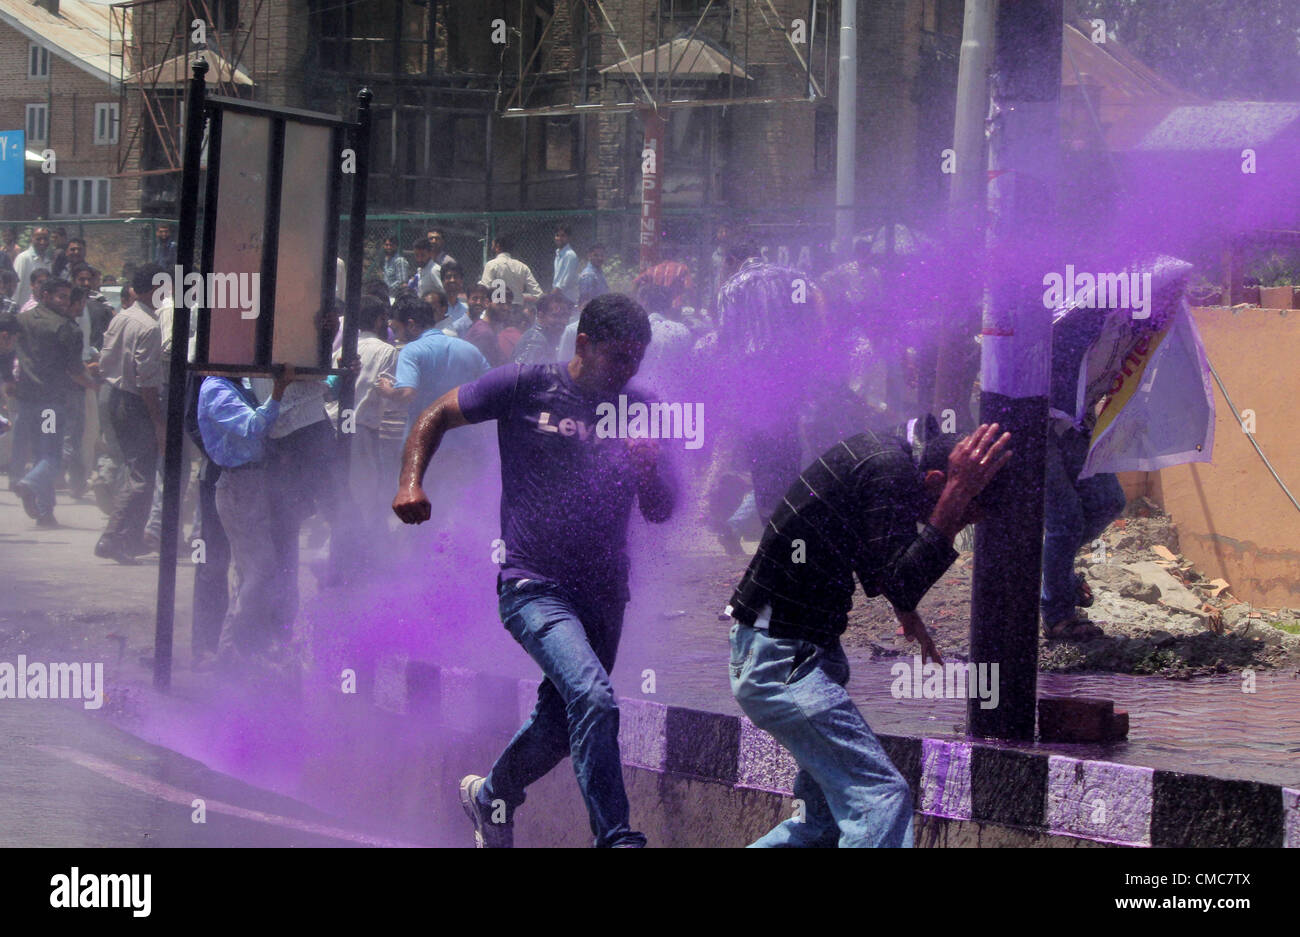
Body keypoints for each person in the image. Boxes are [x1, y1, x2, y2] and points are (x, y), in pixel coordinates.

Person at [392, 292, 679, 848]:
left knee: (561, 722)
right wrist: (410, 482)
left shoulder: (640, 407)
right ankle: (617, 839)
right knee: (593, 698)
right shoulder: (525, 384)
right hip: (532, 583)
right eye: (618, 357)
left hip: (604, 593)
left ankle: (492, 795)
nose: (627, 372)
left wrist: (648, 471)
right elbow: (436, 414)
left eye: (636, 360)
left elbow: (660, 510)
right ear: (584, 344)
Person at [727, 417, 1012, 847]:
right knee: (880, 799)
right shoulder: (888, 468)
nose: (961, 524)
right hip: (782, 658)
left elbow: (878, 566)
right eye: (964, 515)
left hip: (796, 652)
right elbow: (896, 578)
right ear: (936, 479)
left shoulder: (886, 462)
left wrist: (907, 610)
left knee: (821, 824)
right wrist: (955, 497)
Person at [197, 365, 298, 666]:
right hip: (239, 484)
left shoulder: (234, 383)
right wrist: (278, 391)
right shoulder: (215, 388)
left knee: (250, 572)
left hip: (249, 482)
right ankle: (238, 649)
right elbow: (254, 425)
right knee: (259, 569)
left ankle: (231, 653)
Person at [95, 265, 166, 564]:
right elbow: (146, 382)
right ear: (152, 290)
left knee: (133, 468)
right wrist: (158, 423)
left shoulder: (122, 316)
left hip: (111, 396)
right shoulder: (149, 326)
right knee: (141, 475)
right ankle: (111, 537)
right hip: (134, 403)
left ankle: (130, 538)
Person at [11, 279, 95, 527]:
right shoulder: (66, 328)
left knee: (40, 453)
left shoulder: (23, 320)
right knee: (52, 457)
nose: (66, 302)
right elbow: (75, 370)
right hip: (50, 405)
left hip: (27, 402)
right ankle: (30, 483)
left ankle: (45, 512)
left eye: (68, 297)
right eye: (61, 296)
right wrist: (91, 382)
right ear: (45, 295)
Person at [479, 236, 542, 310]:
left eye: (492, 245)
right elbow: (538, 293)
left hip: (498, 310)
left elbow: (484, 289)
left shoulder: (491, 265)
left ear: (497, 246)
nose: (491, 247)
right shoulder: (522, 267)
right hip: (518, 312)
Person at [512, 291, 572, 364]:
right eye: (556, 316)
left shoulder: (551, 336)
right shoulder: (534, 341)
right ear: (541, 316)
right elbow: (524, 373)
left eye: (565, 316)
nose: (563, 321)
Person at [13, 228, 53, 309]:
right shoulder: (23, 258)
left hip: (41, 311)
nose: (42, 242)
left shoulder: (48, 261)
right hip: (23, 311)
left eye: (45, 239)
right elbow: (16, 286)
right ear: (32, 239)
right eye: (39, 239)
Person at [435, 262, 470, 335]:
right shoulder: (436, 309)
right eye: (448, 277)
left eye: (456, 277)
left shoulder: (466, 310)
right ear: (442, 281)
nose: (452, 280)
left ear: (461, 281)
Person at [552, 224, 580, 304]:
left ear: (569, 238)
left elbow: (564, 283)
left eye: (563, 236)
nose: (559, 238)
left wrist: (550, 297)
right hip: (558, 298)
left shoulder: (570, 255)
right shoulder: (558, 254)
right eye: (557, 235)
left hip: (567, 301)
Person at [578, 244, 610, 309]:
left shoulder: (599, 273)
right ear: (589, 256)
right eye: (596, 255)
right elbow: (585, 302)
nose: (600, 258)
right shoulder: (588, 275)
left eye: (602, 255)